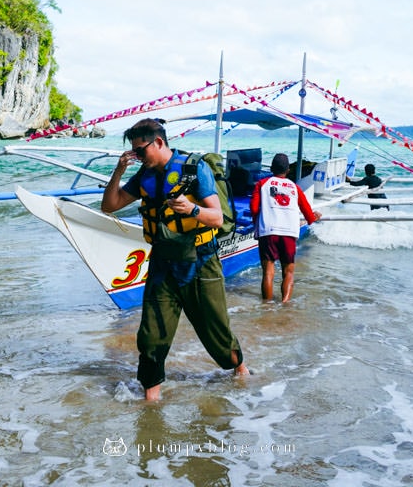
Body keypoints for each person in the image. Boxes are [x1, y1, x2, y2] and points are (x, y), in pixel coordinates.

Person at [100, 118, 248, 400]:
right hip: (162, 262)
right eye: (133, 152)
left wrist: (192, 209)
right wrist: (119, 170)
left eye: (140, 150)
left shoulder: (194, 169)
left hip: (200, 259)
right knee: (151, 334)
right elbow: (110, 206)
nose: (138, 157)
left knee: (215, 333)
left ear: (158, 142)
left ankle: (240, 369)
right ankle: (151, 400)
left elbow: (217, 217)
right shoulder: (143, 174)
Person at [249, 153, 322, 303]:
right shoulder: (295, 188)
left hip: (268, 231)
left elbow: (254, 208)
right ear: (288, 170)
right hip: (289, 232)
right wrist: (316, 216)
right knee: (288, 272)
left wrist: (257, 221)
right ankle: (285, 304)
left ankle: (267, 306)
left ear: (271, 168)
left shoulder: (262, 184)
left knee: (268, 273)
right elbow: (309, 216)